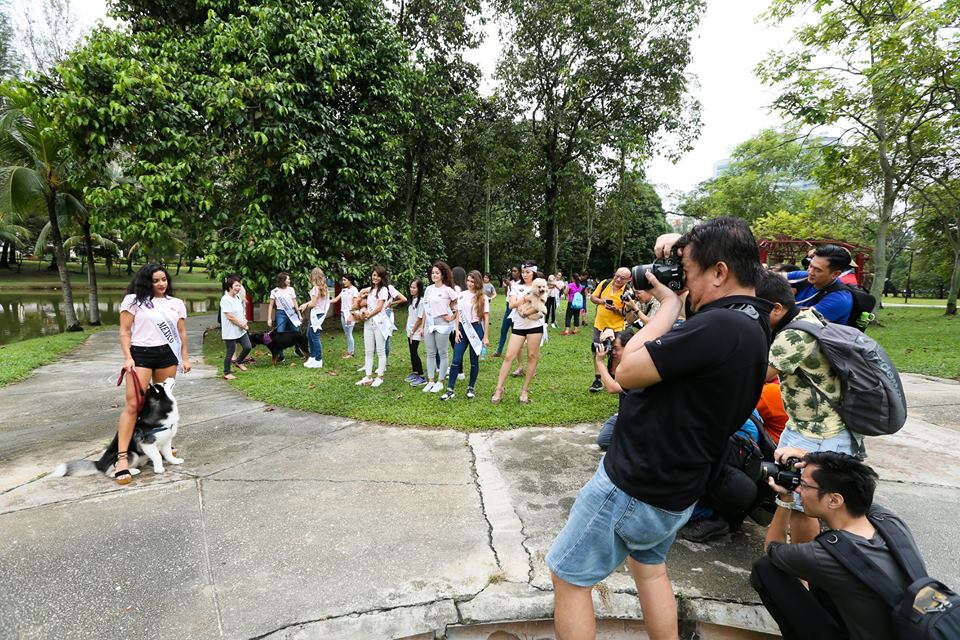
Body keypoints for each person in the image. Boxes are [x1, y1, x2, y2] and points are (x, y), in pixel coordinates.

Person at [547, 217, 772, 640]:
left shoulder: (719, 326)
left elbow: (627, 369)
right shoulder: (753, 321)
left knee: (570, 576)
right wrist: (682, 256)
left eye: (688, 272)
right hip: (679, 487)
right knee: (649, 570)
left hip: (635, 483)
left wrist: (668, 306)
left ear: (720, 272)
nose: (680, 281)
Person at [752, 449, 922, 640]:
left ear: (834, 500)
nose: (798, 489)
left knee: (765, 569)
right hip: (909, 628)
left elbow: (773, 546)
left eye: (805, 485)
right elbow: (851, 484)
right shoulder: (889, 520)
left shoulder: (825, 555)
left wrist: (786, 499)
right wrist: (818, 461)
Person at [755, 269, 862, 548]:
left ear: (776, 309)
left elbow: (760, 374)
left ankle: (804, 573)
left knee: (803, 507)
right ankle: (795, 566)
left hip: (820, 432)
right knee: (788, 497)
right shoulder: (804, 317)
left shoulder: (793, 337)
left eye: (755, 310)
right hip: (804, 425)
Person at [113, 263, 192, 484]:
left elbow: (182, 333)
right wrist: (128, 357)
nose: (161, 284)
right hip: (141, 355)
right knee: (133, 405)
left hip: (167, 355)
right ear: (147, 281)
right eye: (156, 280)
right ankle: (121, 458)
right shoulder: (133, 301)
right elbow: (125, 331)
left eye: (164, 279)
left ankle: (160, 446)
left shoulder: (176, 303)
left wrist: (184, 358)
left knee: (160, 404)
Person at [492, 261, 546, 405]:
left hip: (535, 325)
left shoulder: (540, 286)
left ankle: (525, 390)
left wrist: (527, 308)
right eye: (523, 272)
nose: (525, 274)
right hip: (519, 325)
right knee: (509, 356)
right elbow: (512, 305)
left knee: (532, 356)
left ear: (534, 272)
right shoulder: (516, 287)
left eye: (528, 272)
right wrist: (524, 299)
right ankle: (499, 389)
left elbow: (541, 305)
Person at [441, 270, 490, 400]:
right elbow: (458, 313)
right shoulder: (462, 295)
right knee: (456, 359)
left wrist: (485, 336)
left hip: (475, 329)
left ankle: (471, 387)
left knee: (474, 361)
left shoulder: (483, 297)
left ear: (477, 282)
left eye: (472, 281)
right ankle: (450, 389)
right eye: (468, 280)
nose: (469, 283)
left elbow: (486, 318)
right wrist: (457, 330)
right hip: (462, 329)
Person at [785, 245, 854, 324]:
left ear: (835, 274)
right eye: (810, 265)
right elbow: (773, 277)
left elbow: (797, 319)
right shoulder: (807, 276)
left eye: (817, 270)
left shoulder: (839, 299)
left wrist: (783, 299)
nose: (810, 272)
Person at [588, 268, 631, 393]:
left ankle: (613, 378)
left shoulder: (628, 292)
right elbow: (593, 298)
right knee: (597, 351)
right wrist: (602, 301)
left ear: (629, 280)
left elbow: (628, 314)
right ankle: (597, 379)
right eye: (616, 276)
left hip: (617, 327)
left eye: (622, 278)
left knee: (616, 354)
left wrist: (615, 309)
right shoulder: (605, 283)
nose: (618, 279)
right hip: (600, 325)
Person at [591, 328, 633, 450]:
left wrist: (599, 361)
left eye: (616, 348)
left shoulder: (636, 366)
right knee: (604, 438)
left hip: (637, 417)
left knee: (605, 440)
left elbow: (612, 388)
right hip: (623, 414)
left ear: (629, 347)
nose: (613, 352)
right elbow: (613, 376)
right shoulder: (622, 363)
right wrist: (609, 337)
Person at [422, 261, 459, 393]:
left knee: (443, 353)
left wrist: (452, 317)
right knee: (430, 353)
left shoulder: (448, 290)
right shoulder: (428, 289)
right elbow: (425, 309)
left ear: (443, 275)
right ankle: (431, 380)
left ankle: (440, 381)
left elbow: (459, 307)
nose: (434, 275)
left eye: (437, 273)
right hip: (429, 324)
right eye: (432, 273)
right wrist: (422, 326)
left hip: (442, 325)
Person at [355, 266, 392, 388]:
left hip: (379, 323)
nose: (375, 278)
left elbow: (379, 307)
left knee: (381, 351)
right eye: (374, 275)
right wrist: (362, 313)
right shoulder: (371, 290)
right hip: (368, 323)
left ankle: (380, 377)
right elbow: (365, 303)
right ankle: (368, 376)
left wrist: (367, 315)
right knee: (368, 351)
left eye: (378, 276)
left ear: (382, 277)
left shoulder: (384, 290)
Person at [267, 272, 302, 362]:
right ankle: (281, 355)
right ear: (283, 280)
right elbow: (271, 305)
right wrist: (269, 318)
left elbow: (295, 302)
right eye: (288, 279)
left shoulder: (291, 289)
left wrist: (299, 314)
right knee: (279, 333)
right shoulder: (274, 291)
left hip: (291, 312)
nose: (289, 280)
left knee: (297, 331)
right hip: (281, 313)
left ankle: (297, 349)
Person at [220, 275, 250, 380]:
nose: (239, 288)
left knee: (247, 347)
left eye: (239, 286)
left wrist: (245, 321)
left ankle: (238, 362)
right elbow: (230, 316)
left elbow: (241, 312)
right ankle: (226, 372)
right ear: (230, 286)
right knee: (230, 351)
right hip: (230, 331)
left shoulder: (237, 297)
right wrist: (241, 324)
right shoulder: (225, 299)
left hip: (240, 329)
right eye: (236, 286)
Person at [298, 267, 329, 368]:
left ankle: (318, 359)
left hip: (316, 314)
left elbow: (313, 303)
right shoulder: (323, 287)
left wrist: (305, 305)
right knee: (310, 335)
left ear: (313, 276)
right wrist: (306, 304)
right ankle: (312, 357)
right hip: (318, 314)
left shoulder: (316, 288)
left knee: (314, 337)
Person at [330, 274, 359, 359]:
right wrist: (325, 301)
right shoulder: (344, 290)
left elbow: (355, 304)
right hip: (343, 314)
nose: (343, 282)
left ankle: (351, 353)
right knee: (347, 333)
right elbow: (335, 299)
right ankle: (349, 350)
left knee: (349, 334)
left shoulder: (354, 290)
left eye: (345, 280)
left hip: (350, 315)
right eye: (343, 280)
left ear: (350, 280)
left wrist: (351, 316)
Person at [494, 266, 521, 357]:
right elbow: (507, 295)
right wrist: (506, 287)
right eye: (512, 271)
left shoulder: (520, 283)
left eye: (515, 271)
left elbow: (518, 296)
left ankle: (516, 351)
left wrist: (510, 285)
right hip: (508, 308)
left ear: (519, 272)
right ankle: (499, 351)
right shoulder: (512, 282)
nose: (513, 272)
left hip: (515, 309)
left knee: (515, 332)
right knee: (503, 330)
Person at [405, 279, 427, 386]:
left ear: (419, 289)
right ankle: (415, 372)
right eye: (411, 287)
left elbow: (419, 318)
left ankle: (422, 377)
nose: (411, 289)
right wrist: (409, 330)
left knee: (414, 352)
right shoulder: (412, 299)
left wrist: (413, 331)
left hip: (416, 331)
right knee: (411, 352)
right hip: (410, 330)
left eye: (414, 287)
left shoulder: (422, 301)